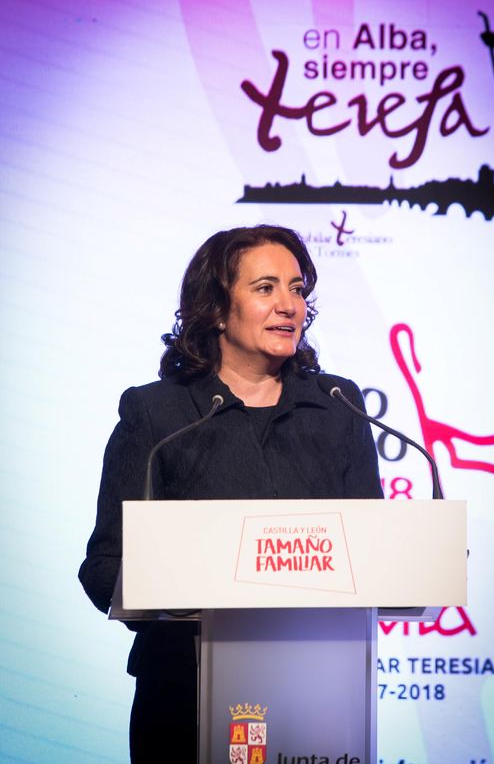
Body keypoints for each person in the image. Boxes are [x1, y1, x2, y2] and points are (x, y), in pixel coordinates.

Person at [79, 224, 383, 762]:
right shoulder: (159, 414)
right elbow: (104, 567)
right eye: (266, 288)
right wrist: (184, 597)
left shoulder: (337, 404)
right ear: (217, 308)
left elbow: (373, 551)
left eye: (297, 289)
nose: (289, 305)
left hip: (316, 692)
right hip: (186, 692)